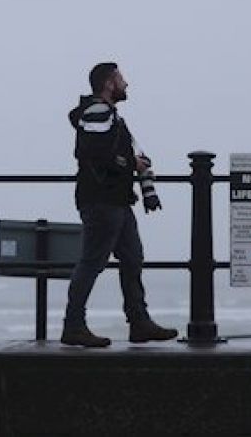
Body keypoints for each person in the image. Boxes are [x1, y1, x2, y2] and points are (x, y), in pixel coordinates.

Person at [61, 62, 178, 347]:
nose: (127, 84)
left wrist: (142, 181)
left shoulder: (110, 116)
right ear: (109, 83)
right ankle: (74, 325)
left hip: (116, 200)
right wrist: (131, 166)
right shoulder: (98, 112)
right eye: (122, 78)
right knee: (93, 262)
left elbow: (127, 155)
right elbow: (94, 154)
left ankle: (139, 322)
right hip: (103, 200)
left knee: (132, 257)